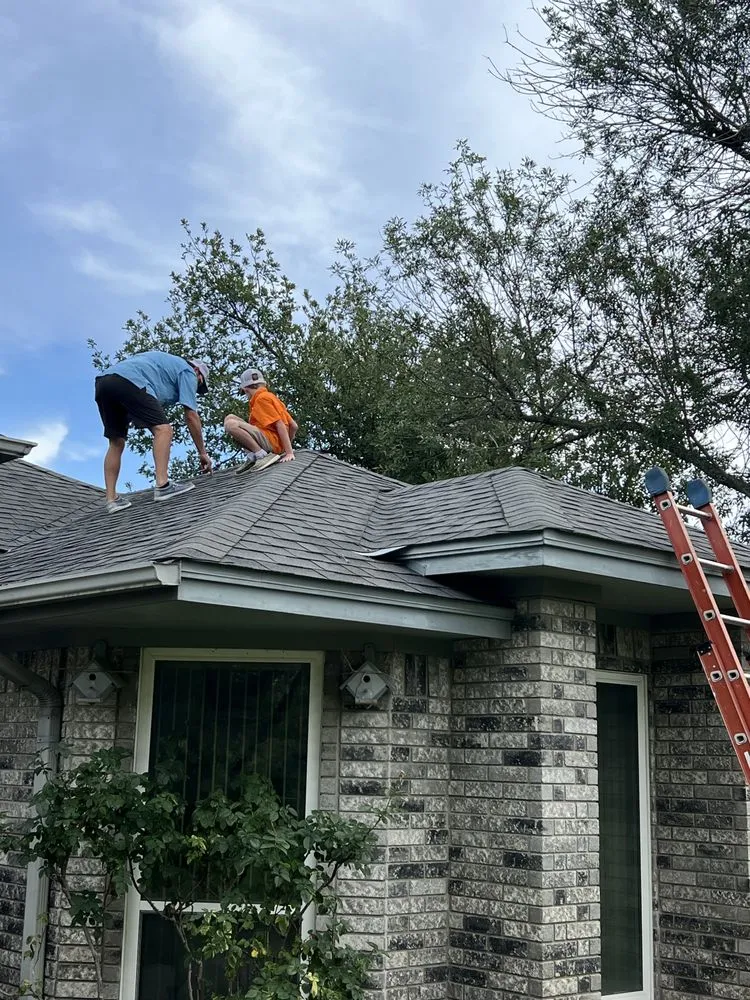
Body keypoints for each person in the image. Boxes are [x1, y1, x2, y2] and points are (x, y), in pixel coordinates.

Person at [95, 350, 212, 513]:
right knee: (163, 430)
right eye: (199, 384)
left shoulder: (165, 366)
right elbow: (191, 416)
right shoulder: (188, 371)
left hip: (104, 383)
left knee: (116, 442)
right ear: (197, 371)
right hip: (130, 380)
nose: (195, 389)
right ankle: (163, 485)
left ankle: (111, 499)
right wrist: (202, 452)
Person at [224, 368, 297, 474]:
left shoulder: (261, 399)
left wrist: (289, 452)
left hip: (271, 442)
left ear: (246, 389)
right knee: (230, 417)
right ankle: (252, 457)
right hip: (274, 443)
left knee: (230, 424)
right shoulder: (271, 397)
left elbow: (279, 424)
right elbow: (293, 426)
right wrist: (284, 448)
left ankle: (261, 455)